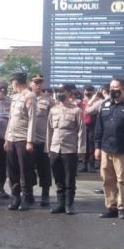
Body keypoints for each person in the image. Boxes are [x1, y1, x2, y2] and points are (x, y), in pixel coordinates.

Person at [94, 77, 124, 219]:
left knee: (122, 180)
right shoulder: (105, 105)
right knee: (107, 180)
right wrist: (97, 147)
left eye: (116, 87)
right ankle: (111, 207)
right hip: (106, 148)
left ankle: (122, 208)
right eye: (111, 88)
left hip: (123, 150)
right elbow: (99, 127)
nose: (113, 90)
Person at [46, 83, 85, 214]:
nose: (60, 93)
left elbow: (81, 131)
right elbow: (49, 130)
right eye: (58, 91)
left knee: (69, 178)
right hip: (55, 148)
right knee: (58, 178)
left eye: (62, 91)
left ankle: (69, 205)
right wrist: (48, 148)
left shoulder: (76, 110)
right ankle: (60, 204)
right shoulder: (53, 110)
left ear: (69, 93)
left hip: (70, 149)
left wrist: (81, 149)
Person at [5, 72, 37, 211]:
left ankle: (26, 197)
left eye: (12, 82)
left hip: (23, 138)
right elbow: (11, 119)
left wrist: (30, 141)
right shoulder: (15, 97)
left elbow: (32, 120)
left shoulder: (29, 96)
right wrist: (7, 138)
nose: (12, 84)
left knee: (25, 169)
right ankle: (15, 196)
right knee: (12, 169)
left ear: (16, 82)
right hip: (12, 138)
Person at [27, 74, 53, 206]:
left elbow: (52, 121)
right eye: (35, 83)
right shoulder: (25, 98)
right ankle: (29, 193)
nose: (38, 85)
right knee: (29, 168)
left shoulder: (48, 100)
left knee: (45, 169)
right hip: (29, 140)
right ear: (30, 84)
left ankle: (45, 195)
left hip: (43, 140)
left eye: (40, 83)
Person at [0, 80, 11, 198]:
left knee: (2, 165)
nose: (2, 94)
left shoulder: (10, 102)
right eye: (0, 91)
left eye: (4, 91)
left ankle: (0, 188)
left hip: (4, 137)